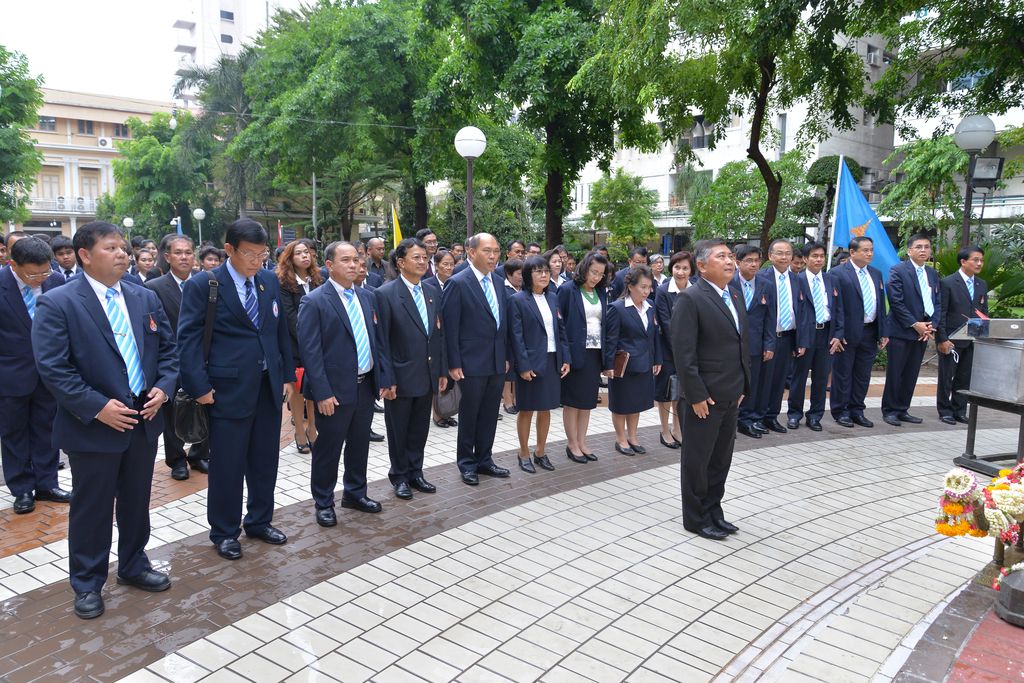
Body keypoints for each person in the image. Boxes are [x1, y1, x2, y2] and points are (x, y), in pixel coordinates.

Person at [33, 221, 178, 619]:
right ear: (84, 255)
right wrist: (98, 407)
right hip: (94, 425)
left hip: (143, 418)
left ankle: (133, 564)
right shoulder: (59, 303)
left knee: (136, 500)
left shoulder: (143, 296)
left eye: (123, 248)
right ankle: (87, 582)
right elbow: (53, 368)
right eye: (111, 248)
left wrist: (163, 388)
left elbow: (169, 350)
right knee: (92, 507)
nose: (122, 254)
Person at [178, 219, 296, 561]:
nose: (257, 261)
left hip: (267, 387)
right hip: (225, 390)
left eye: (262, 254)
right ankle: (225, 531)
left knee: (265, 461)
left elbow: (278, 333)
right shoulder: (205, 284)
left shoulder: (268, 281)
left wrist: (286, 376)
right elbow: (187, 339)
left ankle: (259, 521)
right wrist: (199, 387)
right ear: (229, 249)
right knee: (228, 466)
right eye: (249, 254)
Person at [299, 241, 391, 522]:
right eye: (346, 260)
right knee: (329, 448)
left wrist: (383, 378)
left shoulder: (367, 297)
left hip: (365, 386)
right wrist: (322, 393)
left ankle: (355, 493)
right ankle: (324, 502)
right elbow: (311, 352)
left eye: (356, 260)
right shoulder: (315, 301)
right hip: (334, 391)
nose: (353, 265)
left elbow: (377, 341)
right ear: (329, 265)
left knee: (359, 443)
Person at [673, 239, 749, 541]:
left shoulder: (734, 294)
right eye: (721, 257)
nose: (730, 261)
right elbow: (684, 353)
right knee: (698, 461)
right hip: (704, 397)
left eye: (731, 256)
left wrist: (744, 384)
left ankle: (713, 510)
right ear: (702, 266)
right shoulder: (690, 299)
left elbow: (742, 343)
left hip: (731, 392)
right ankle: (695, 518)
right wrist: (696, 395)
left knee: (720, 459)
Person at [1, 237, 70, 514]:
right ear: (13, 264)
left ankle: (47, 484)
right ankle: (21, 489)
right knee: (13, 433)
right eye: (33, 274)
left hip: (50, 373)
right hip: (10, 376)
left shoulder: (55, 281)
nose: (40, 278)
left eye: (45, 271)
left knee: (47, 429)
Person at [376, 238, 445, 499]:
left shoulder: (432, 290)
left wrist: (441, 370)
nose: (422, 262)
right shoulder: (385, 294)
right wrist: (387, 378)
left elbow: (438, 334)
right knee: (399, 430)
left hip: (427, 372)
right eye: (416, 257)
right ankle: (400, 475)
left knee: (419, 428)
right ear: (400, 262)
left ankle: (416, 472)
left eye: (425, 257)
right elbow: (382, 341)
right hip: (400, 375)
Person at [441, 232, 511, 486]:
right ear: (471, 253)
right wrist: (453, 363)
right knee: (470, 414)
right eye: (487, 251)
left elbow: (502, 323)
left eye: (496, 251)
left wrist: (505, 356)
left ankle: (484, 459)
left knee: (490, 413)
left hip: (496, 360)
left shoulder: (499, 281)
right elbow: (450, 327)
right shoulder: (458, 283)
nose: (493, 256)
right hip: (470, 362)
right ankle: (466, 463)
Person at [145, 235, 210, 479]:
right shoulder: (154, 288)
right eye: (178, 253)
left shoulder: (207, 283)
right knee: (171, 412)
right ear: (167, 256)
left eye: (188, 252)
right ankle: (177, 460)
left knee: (205, 407)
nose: (184, 257)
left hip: (203, 359)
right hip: (171, 361)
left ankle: (199, 454)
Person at [509, 256, 570, 473]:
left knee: (546, 409)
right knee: (526, 409)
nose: (544, 275)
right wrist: (523, 366)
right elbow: (516, 336)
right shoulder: (517, 300)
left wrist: (566, 358)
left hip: (552, 360)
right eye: (538, 271)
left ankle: (541, 452)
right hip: (531, 363)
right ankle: (524, 452)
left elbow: (561, 330)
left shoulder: (553, 297)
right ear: (528, 275)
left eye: (546, 271)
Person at [880, 233, 941, 426]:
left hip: (923, 333)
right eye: (919, 247)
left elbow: (937, 302)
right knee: (896, 373)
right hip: (901, 331)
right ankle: (890, 410)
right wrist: (915, 324)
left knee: (911, 373)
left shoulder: (932, 273)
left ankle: (902, 409)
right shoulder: (898, 270)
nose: (923, 250)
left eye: (926, 247)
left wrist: (931, 326)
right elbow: (896, 302)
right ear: (909, 251)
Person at [559, 251, 612, 462]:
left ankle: (582, 441)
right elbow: (560, 325)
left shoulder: (601, 292)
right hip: (574, 353)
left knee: (588, 401)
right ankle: (572, 444)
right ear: (584, 268)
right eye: (593, 272)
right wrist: (565, 355)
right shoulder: (568, 290)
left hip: (595, 352)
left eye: (600, 273)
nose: (596, 277)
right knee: (573, 401)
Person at [830, 236, 887, 428]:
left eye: (871, 250)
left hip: (870, 331)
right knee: (843, 374)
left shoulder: (876, 274)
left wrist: (883, 331)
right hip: (846, 333)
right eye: (865, 250)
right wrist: (837, 333)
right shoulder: (838, 273)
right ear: (852, 252)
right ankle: (841, 411)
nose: (870, 253)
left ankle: (857, 410)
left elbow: (880, 304)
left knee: (863, 375)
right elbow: (835, 306)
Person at [787, 242, 844, 431]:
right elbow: (795, 311)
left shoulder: (831, 279)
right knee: (799, 377)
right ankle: (794, 414)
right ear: (805, 259)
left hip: (826, 334)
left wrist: (838, 334)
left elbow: (839, 309)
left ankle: (815, 416)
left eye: (821, 256)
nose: (819, 260)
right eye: (814, 256)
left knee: (821, 378)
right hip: (805, 335)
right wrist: (798, 339)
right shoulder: (797, 280)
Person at [605, 265, 662, 455]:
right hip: (625, 365)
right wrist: (608, 365)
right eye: (643, 287)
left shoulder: (650, 306)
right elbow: (611, 339)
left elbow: (654, 336)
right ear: (630, 286)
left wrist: (657, 359)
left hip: (645, 362)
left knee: (636, 402)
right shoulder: (617, 308)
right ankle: (620, 438)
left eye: (649, 287)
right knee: (621, 404)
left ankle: (633, 436)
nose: (647, 291)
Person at [754, 239, 807, 434]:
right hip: (767, 338)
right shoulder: (761, 277)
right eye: (779, 253)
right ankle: (757, 417)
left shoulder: (797, 279)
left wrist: (801, 340)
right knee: (764, 380)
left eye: (787, 253)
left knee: (779, 381)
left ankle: (772, 416)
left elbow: (802, 312)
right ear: (770, 256)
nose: (784, 257)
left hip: (788, 337)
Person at [277, 239, 323, 454]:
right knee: (297, 391)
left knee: (314, 387)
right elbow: (290, 317)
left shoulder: (318, 279)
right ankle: (299, 432)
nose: (305, 256)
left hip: (317, 343)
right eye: (299, 253)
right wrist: (311, 336)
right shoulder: (284, 284)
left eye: (307, 252)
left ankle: (313, 428)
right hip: (295, 345)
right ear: (289, 258)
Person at [936, 245, 988, 425]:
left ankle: (959, 410)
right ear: (963, 261)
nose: (979, 263)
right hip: (952, 338)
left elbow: (983, 312)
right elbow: (941, 313)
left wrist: (982, 337)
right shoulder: (948, 282)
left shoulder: (981, 284)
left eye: (981, 260)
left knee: (965, 377)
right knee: (947, 377)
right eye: (975, 260)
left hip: (972, 339)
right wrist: (942, 339)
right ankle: (945, 411)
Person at [731, 245, 774, 439]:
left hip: (756, 344)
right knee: (733, 383)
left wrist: (769, 344)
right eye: (749, 261)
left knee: (752, 383)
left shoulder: (766, 285)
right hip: (732, 344)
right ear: (737, 262)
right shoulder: (729, 283)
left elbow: (770, 317)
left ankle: (746, 420)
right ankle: (730, 419)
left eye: (757, 260)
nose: (754, 264)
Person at [654, 250, 696, 449]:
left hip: (690, 351)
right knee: (666, 392)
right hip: (668, 351)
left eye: (685, 268)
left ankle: (677, 428)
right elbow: (666, 324)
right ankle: (664, 430)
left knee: (681, 393)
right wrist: (681, 351)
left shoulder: (696, 289)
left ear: (691, 270)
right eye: (677, 267)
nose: (680, 272)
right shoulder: (663, 291)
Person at [502, 258, 524, 415]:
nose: (521, 277)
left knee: (518, 366)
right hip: (507, 334)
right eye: (518, 274)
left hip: (521, 334)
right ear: (509, 274)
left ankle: (517, 398)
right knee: (508, 369)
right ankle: (507, 400)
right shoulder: (503, 289)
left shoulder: (524, 289)